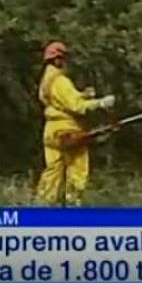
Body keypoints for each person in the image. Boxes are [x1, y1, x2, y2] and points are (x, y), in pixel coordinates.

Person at [36, 41, 115, 206]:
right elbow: (76, 106)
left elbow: (61, 101)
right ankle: (73, 206)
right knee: (77, 169)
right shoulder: (60, 80)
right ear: (58, 59)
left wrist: (82, 95)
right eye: (64, 58)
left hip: (51, 129)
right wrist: (101, 103)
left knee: (53, 171)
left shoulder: (46, 79)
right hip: (67, 129)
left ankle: (42, 207)